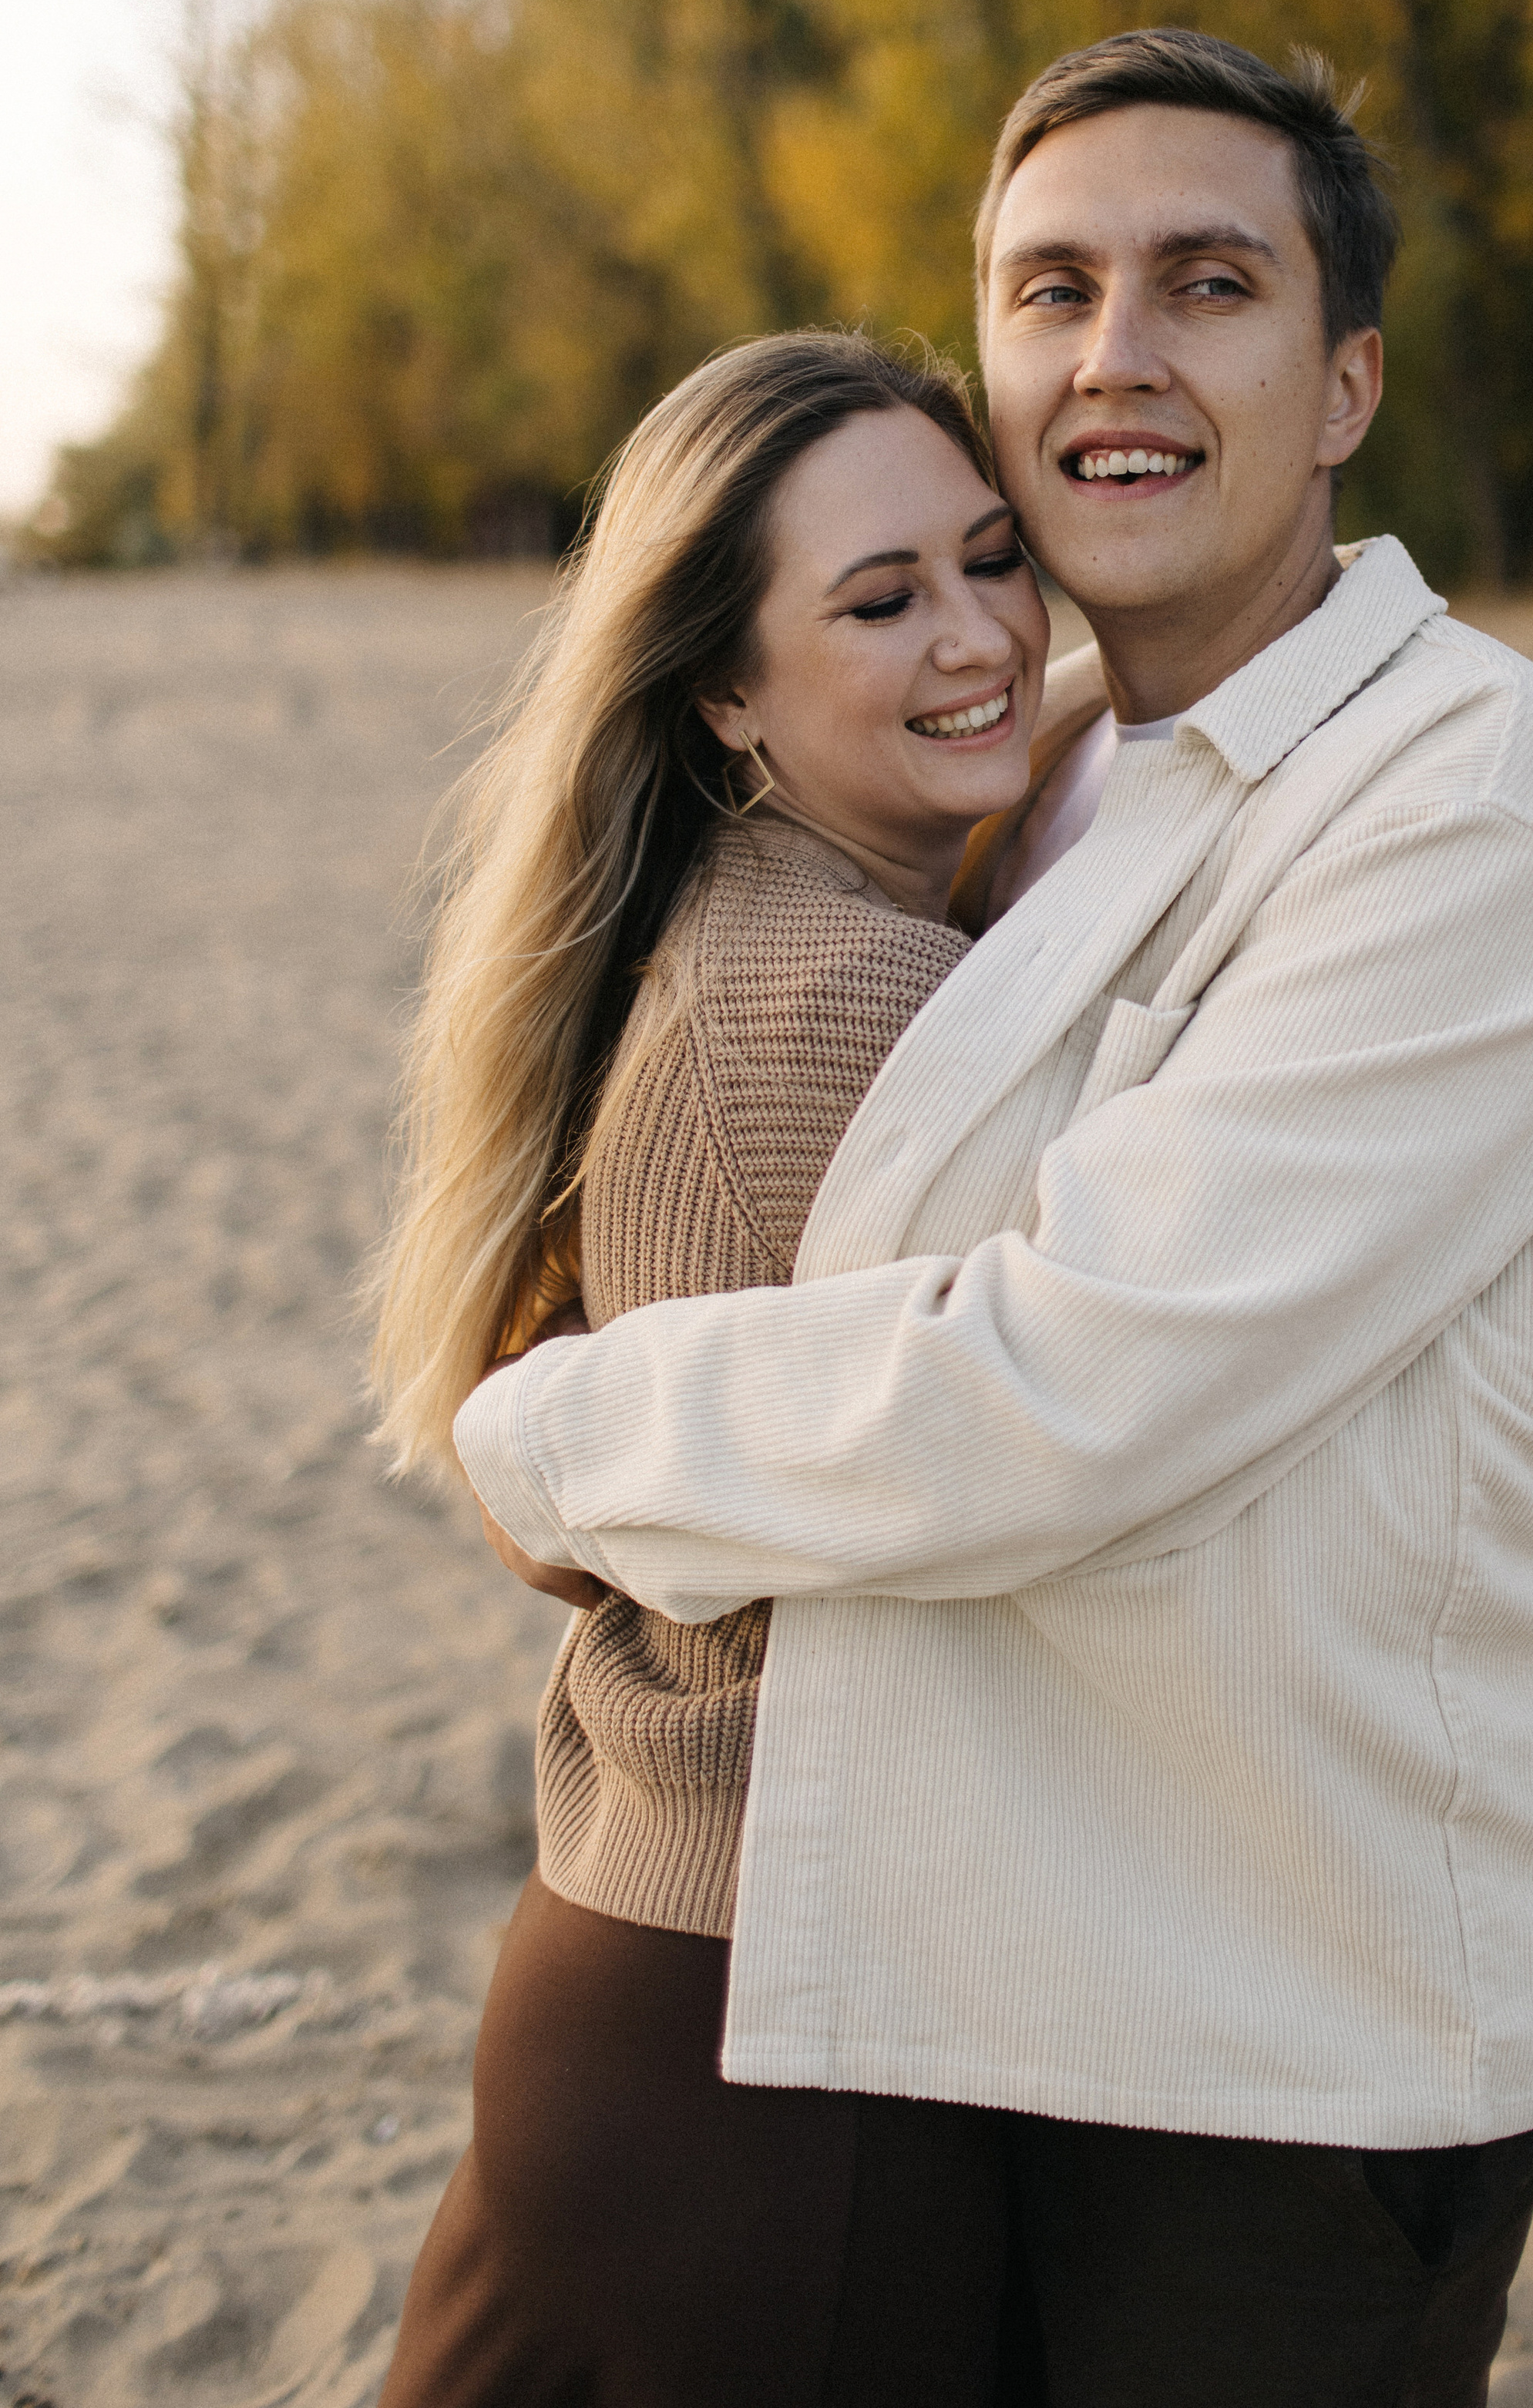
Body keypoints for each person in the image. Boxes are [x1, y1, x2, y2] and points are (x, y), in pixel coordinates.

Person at [455, 27, 1533, 2403]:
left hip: (1298, 2022)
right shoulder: (1045, 770)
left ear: (1344, 384)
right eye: (1051, 291)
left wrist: (555, 1439)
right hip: (1017, 1984)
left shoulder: (1479, 808)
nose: (1114, 356)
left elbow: (1065, 1383)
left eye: (1205, 284)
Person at [368, 332, 1056, 2404]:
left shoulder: (724, 919)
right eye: (880, 600)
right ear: (725, 694)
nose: (980, 636)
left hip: (636, 1978)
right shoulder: (858, 1007)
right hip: (782, 2053)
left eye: (995, 558)